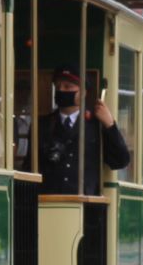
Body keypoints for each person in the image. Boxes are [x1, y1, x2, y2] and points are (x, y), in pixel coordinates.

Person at [38, 67, 130, 195]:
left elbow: (121, 160)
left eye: (67, 87)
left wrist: (109, 125)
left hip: (87, 207)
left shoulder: (96, 125)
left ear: (83, 93)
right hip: (48, 204)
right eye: (58, 86)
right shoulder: (42, 125)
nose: (61, 90)